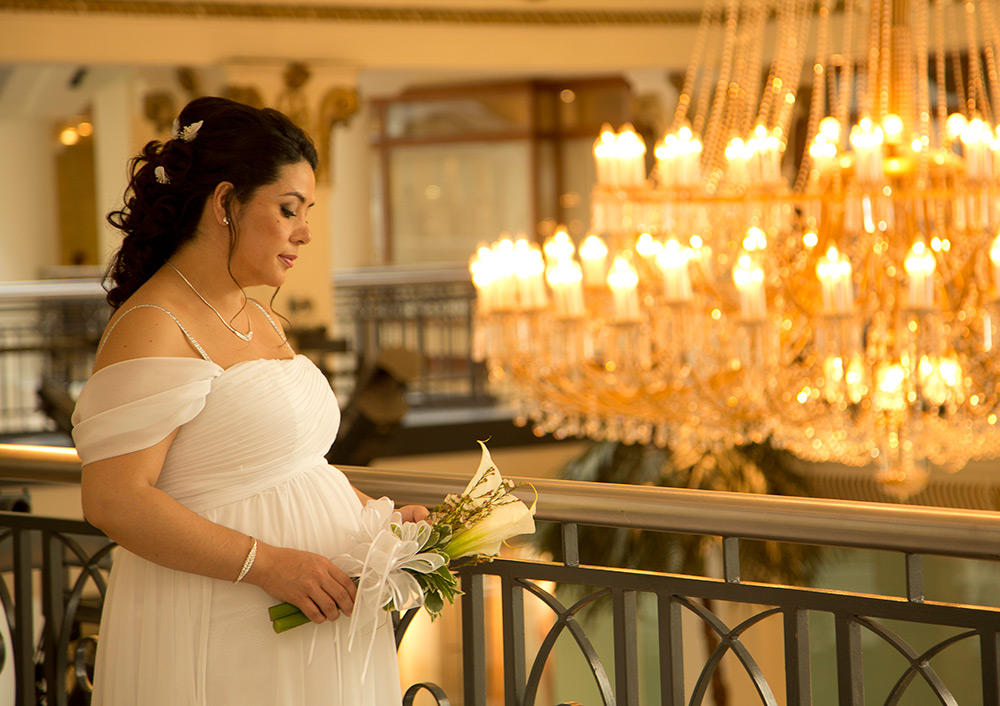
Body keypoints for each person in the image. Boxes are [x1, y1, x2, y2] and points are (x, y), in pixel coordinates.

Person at [71, 96, 428, 705]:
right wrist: (268, 565)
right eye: (288, 209)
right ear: (224, 204)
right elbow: (113, 499)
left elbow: (285, 466)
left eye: (307, 211)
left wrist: (377, 518)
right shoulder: (154, 325)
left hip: (315, 616)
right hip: (226, 619)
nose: (305, 232)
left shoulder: (256, 313)